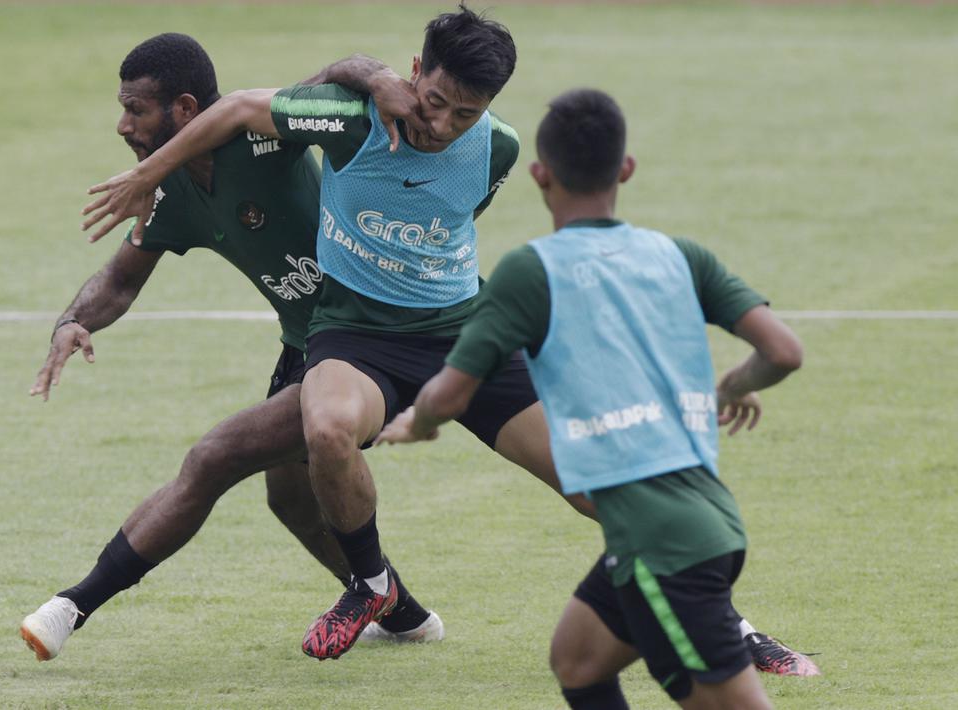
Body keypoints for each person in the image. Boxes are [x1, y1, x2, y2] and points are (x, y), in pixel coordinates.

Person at [83, 7, 819, 675]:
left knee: (598, 487)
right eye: (433, 102)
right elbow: (244, 107)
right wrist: (150, 174)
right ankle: (372, 587)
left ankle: (733, 625)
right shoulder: (348, 119)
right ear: (412, 72)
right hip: (357, 339)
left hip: (465, 341)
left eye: (464, 113)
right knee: (327, 428)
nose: (441, 124)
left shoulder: (495, 148)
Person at [18, 33, 444, 664]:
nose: (122, 125)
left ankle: (71, 606)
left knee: (214, 456)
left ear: (185, 109)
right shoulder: (172, 190)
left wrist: (379, 77)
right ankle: (404, 614)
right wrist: (72, 320)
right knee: (290, 498)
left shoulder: (263, 137)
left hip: (366, 344)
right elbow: (122, 277)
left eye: (136, 109)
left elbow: (333, 73)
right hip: (307, 346)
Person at [375, 88, 808, 707]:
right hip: (704, 518)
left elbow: (452, 387)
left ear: (539, 175)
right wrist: (734, 385)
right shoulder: (678, 254)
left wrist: (418, 421)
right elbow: (783, 351)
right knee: (577, 659)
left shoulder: (532, 270)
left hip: (662, 546)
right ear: (625, 169)